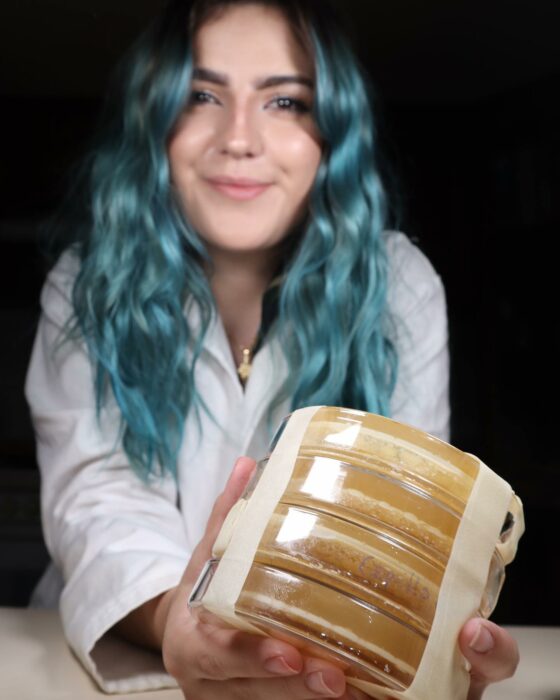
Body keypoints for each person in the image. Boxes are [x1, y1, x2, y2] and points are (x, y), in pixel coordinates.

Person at [25, 0, 519, 698]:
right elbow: (98, 506)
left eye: (284, 101)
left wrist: (417, 654)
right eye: (202, 95)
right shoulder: (86, 282)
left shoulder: (399, 286)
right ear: (156, 124)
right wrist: (184, 623)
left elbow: (404, 526)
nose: (239, 137)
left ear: (330, 135)